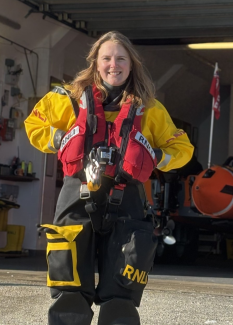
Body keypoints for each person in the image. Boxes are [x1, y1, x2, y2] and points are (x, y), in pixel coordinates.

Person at [25, 31, 194, 325]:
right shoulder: (67, 99)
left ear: (131, 65)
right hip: (77, 194)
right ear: (95, 63)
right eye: (106, 58)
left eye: (120, 58)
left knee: (122, 291)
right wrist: (64, 139)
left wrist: (153, 155)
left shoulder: (150, 108)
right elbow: (34, 124)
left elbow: (182, 149)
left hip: (127, 198)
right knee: (69, 285)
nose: (113, 65)